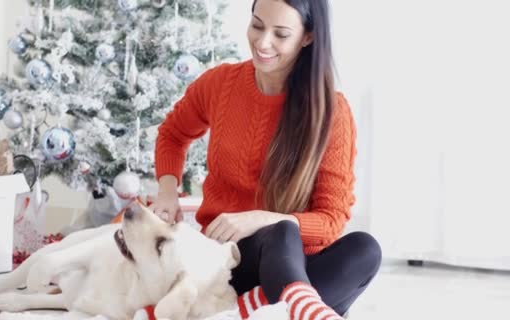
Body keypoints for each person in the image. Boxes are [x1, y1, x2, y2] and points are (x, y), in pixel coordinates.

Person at [151, 0, 382, 319]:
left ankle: (257, 310)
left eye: (281, 34)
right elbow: (173, 133)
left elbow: (331, 220)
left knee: (365, 250)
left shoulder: (332, 112)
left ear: (307, 37)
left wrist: (261, 217)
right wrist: (167, 191)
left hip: (292, 262)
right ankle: (299, 309)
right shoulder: (220, 84)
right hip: (228, 260)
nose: (262, 43)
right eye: (257, 25)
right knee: (282, 231)